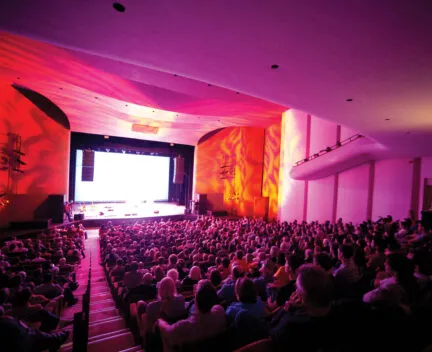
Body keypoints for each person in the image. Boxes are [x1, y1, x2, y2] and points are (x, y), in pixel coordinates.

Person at [158, 280, 226, 350]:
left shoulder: (184, 326)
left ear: (196, 302)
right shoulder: (220, 311)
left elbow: (167, 333)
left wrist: (160, 321)